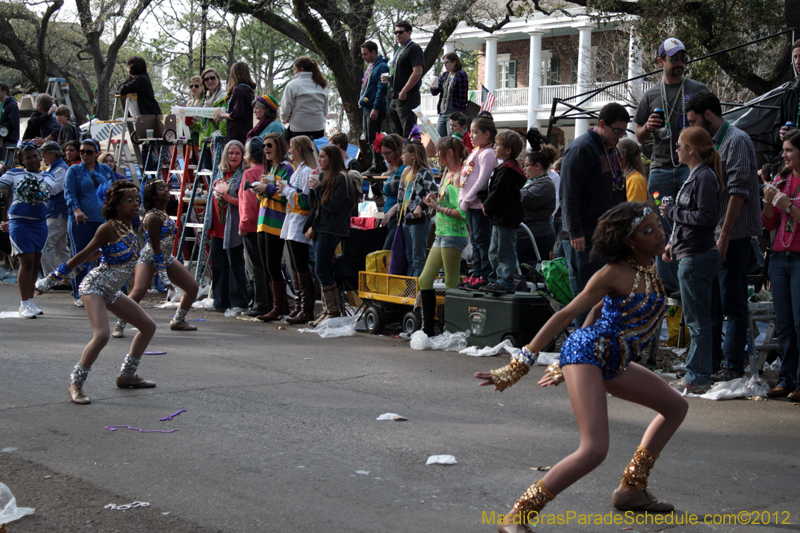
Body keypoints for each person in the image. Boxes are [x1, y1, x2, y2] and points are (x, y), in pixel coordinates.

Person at [476, 202, 688, 533]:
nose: (659, 233)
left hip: (613, 359)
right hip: (589, 354)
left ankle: (631, 489)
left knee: (675, 406)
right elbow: (564, 314)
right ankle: (518, 515)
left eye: (658, 225)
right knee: (594, 449)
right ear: (629, 242)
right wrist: (522, 363)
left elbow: (599, 311)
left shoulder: (649, 266)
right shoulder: (613, 273)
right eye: (648, 231)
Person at [36, 181, 157, 405]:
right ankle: (76, 384)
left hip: (111, 290)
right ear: (115, 204)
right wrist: (49, 280)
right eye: (128, 200)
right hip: (94, 287)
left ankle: (127, 375)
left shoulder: (129, 226)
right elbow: (82, 255)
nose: (134, 204)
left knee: (148, 327)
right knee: (101, 335)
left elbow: (109, 252)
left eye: (136, 199)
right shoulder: (107, 227)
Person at [686, 90, 761, 382]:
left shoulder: (737, 140)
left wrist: (725, 235)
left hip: (733, 235)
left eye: (694, 121)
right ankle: (713, 362)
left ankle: (733, 365)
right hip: (711, 235)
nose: (691, 127)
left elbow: (739, 191)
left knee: (733, 302)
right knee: (712, 303)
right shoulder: (710, 144)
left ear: (708, 116)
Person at [634, 37, 709, 296]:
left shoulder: (699, 89)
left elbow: (712, 125)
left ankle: (689, 282)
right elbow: (638, 135)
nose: (680, 63)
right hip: (661, 170)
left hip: (691, 168)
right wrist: (648, 127)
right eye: (674, 59)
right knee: (661, 226)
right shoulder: (651, 94)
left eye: (683, 58)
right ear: (660, 62)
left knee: (690, 224)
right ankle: (666, 287)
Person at [660, 127, 723, 393]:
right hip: (689, 253)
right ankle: (697, 373)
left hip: (697, 257)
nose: (676, 150)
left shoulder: (704, 177)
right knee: (699, 319)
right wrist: (672, 243)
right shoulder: (696, 176)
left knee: (698, 321)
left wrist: (673, 211)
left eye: (679, 145)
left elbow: (706, 218)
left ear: (691, 149)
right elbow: (692, 219)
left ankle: (697, 377)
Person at [561, 103, 629, 326]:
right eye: (616, 131)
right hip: (585, 235)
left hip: (607, 234)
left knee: (605, 296)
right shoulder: (581, 149)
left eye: (623, 132)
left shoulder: (611, 150)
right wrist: (575, 231)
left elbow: (618, 191)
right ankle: (583, 349)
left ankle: (600, 347)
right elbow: (569, 194)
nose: (619, 136)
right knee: (586, 296)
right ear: (601, 124)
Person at [112, 179, 199, 338]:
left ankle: (178, 320)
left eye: (166, 188)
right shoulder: (152, 217)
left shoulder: (162, 212)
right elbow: (155, 246)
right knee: (138, 291)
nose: (166, 191)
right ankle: (119, 324)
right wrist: (163, 273)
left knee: (192, 287)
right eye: (161, 189)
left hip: (165, 257)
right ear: (153, 196)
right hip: (150, 258)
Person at [762, 130, 800, 401]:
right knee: (784, 324)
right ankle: (786, 379)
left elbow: (790, 212)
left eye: (788, 150)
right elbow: (770, 223)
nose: (783, 155)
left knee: (799, 324)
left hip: (799, 259)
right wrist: (768, 202)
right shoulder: (781, 180)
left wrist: (789, 206)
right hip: (779, 258)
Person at [418, 136, 468, 335]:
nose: (436, 155)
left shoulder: (458, 176)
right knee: (424, 280)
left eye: (439, 151)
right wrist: (434, 202)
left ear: (449, 153)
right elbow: (445, 203)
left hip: (453, 235)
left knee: (451, 283)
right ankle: (428, 329)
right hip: (441, 234)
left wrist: (438, 207)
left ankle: (453, 330)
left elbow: (462, 213)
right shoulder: (447, 172)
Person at [0, 142, 56, 318]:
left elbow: (47, 191)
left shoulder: (49, 176)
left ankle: (30, 302)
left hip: (39, 224)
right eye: (28, 157)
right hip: (20, 223)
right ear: (22, 161)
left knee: (35, 261)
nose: (32, 160)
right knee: (27, 261)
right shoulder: (14, 174)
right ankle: (23, 304)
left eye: (35, 156)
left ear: (40, 157)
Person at [64, 139, 118, 307]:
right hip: (82, 222)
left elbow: (114, 191)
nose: (85, 155)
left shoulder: (106, 170)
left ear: (96, 153)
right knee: (81, 256)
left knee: (105, 257)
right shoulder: (74, 171)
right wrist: (76, 210)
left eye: (88, 152)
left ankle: (100, 290)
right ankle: (79, 293)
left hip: (102, 221)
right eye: (82, 152)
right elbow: (69, 193)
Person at [306, 145, 355, 326]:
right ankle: (329, 311)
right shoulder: (327, 177)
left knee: (322, 269)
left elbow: (333, 206)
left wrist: (319, 189)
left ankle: (332, 311)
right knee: (322, 270)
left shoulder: (342, 178)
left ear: (332, 159)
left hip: (332, 229)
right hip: (322, 228)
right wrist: (314, 188)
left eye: (323, 157)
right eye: (319, 157)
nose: (319, 160)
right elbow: (317, 206)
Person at [250, 132, 294, 321]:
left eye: (269, 145)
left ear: (279, 146)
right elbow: (266, 195)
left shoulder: (286, 168)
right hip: (263, 221)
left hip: (277, 221)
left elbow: (286, 195)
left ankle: (279, 307)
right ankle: (281, 306)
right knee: (267, 265)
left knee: (274, 265)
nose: (266, 149)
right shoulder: (269, 169)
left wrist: (266, 188)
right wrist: (259, 190)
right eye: (264, 146)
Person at [479, 130, 526, 295]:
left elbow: (499, 192)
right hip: (500, 218)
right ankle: (496, 280)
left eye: (498, 145)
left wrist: (487, 206)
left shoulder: (507, 170)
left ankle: (505, 282)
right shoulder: (505, 168)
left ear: (508, 150)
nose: (494, 146)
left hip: (507, 217)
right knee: (494, 251)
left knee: (504, 252)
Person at [277, 135, 317, 324]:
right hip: (292, 220)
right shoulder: (299, 170)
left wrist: (286, 190)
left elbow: (305, 200)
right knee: (294, 264)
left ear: (299, 150)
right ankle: (299, 306)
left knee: (301, 265)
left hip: (300, 221)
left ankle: (306, 310)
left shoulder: (308, 171)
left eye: (291, 148)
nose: (289, 151)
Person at [386, 127, 436, 277]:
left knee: (417, 258)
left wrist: (421, 206)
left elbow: (434, 191)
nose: (401, 157)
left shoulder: (424, 173)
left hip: (419, 222)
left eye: (403, 153)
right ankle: (410, 288)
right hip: (406, 221)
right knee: (408, 257)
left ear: (413, 155)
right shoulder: (407, 172)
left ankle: (418, 291)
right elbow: (405, 197)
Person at [208, 140, 249, 314]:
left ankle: (238, 301)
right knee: (218, 264)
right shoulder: (219, 173)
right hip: (217, 226)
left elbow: (247, 200)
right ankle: (220, 301)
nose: (233, 156)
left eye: (237, 153)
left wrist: (227, 199)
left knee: (235, 265)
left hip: (233, 227)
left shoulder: (244, 175)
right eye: (230, 153)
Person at [456, 115, 497, 290]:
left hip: (478, 205)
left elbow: (482, 181)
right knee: (475, 241)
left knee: (481, 241)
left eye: (475, 132)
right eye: (471, 132)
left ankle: (484, 275)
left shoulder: (487, 154)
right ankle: (477, 274)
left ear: (487, 134)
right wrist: (460, 197)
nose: (471, 136)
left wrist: (467, 199)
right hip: (469, 205)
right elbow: (465, 176)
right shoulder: (476, 151)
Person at [238, 137, 271, 317]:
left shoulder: (249, 174)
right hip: (269, 223)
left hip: (252, 225)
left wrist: (243, 224)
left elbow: (248, 203)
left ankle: (260, 303)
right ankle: (270, 302)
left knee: (254, 266)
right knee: (267, 265)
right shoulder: (268, 170)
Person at [517, 146, 557, 267]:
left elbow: (525, 198)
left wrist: (509, 188)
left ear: (537, 166)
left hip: (536, 236)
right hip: (527, 235)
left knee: (529, 273)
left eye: (526, 165)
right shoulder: (534, 181)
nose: (524, 169)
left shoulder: (545, 184)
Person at [386, 20, 424, 137]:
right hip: (394, 97)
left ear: (409, 32)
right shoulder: (398, 50)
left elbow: (417, 72)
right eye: (395, 32)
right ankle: (399, 155)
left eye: (401, 32)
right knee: (396, 136)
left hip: (407, 97)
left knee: (409, 134)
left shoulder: (414, 48)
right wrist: (389, 79)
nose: (397, 35)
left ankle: (411, 155)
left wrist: (404, 91)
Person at [39, 141, 72, 276]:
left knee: (46, 244)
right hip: (54, 211)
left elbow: (52, 189)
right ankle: (66, 277)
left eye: (44, 154)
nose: (43, 157)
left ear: (52, 154)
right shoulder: (52, 168)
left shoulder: (61, 169)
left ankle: (52, 277)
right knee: (60, 247)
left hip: (58, 212)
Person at [359, 41, 390, 174]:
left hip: (375, 108)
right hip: (367, 107)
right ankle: (379, 164)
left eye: (365, 54)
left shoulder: (382, 67)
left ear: (373, 52)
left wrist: (376, 108)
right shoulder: (371, 67)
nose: (363, 57)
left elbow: (382, 89)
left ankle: (377, 165)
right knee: (368, 137)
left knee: (374, 137)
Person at [280, 56, 329, 140]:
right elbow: (325, 112)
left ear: (301, 69)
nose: (293, 72)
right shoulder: (322, 85)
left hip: (298, 130)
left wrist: (285, 120)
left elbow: (285, 111)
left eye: (295, 69)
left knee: (282, 143)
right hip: (319, 129)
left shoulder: (292, 85)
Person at [377, 133, 406, 249]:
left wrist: (392, 210)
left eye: (388, 153)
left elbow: (407, 197)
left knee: (386, 256)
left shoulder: (405, 168)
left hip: (398, 220)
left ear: (398, 151)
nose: (385, 157)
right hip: (391, 220)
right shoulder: (397, 169)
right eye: (383, 154)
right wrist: (381, 202)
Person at [216, 62, 256, 146]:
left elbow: (237, 113)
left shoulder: (238, 89)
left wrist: (222, 115)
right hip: (246, 130)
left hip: (237, 132)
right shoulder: (249, 90)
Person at [431, 52, 469, 138]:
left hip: (453, 113)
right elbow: (435, 93)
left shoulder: (461, 75)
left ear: (454, 62)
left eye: (447, 62)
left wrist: (458, 115)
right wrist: (433, 87)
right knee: (439, 138)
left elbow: (463, 96)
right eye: (444, 63)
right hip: (442, 112)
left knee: (452, 138)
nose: (445, 65)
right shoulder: (445, 75)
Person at [197, 67, 227, 171]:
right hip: (205, 143)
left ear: (218, 79)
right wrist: (193, 124)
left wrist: (223, 138)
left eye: (212, 78)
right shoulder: (206, 99)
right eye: (206, 79)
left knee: (217, 176)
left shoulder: (224, 98)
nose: (210, 81)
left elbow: (224, 122)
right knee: (207, 177)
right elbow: (204, 125)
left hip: (217, 144)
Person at [775, 39, 800, 144]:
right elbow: (776, 128)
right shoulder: (790, 91)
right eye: (795, 57)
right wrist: (780, 134)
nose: (798, 62)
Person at [618, 138, 649, 202]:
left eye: (616, 152)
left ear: (623, 153)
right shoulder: (628, 176)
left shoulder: (636, 180)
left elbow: (633, 210)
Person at [0, 82, 20, 168]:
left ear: (4, 92)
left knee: (7, 165)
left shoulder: (11, 105)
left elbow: (12, 123)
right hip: (2, 140)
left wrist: (2, 127)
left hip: (9, 141)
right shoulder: (2, 106)